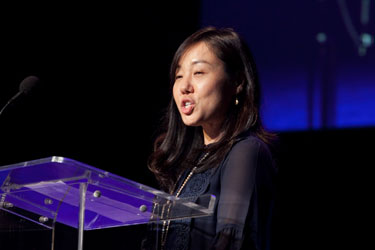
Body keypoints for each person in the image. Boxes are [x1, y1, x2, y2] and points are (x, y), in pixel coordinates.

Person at [142, 26, 278, 250]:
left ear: (237, 82)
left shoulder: (245, 151)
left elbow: (232, 241)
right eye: (179, 75)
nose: (184, 87)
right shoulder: (186, 166)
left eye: (199, 73)